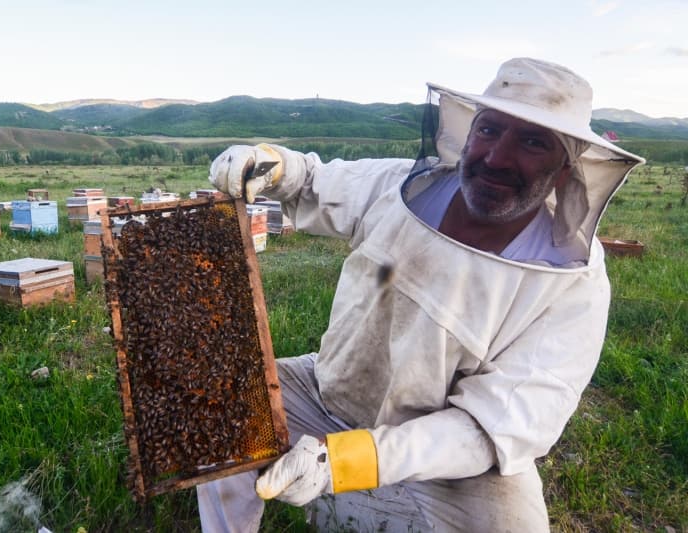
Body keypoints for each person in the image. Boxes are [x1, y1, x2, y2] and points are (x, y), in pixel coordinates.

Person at [199, 57, 645, 532]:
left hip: (443, 453)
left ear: (564, 168)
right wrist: (272, 164)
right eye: (490, 130)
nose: (497, 157)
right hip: (324, 392)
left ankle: (359, 495)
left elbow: (493, 427)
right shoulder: (403, 186)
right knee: (220, 398)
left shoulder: (574, 283)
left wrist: (347, 461)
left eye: (533, 142)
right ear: (469, 134)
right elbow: (311, 180)